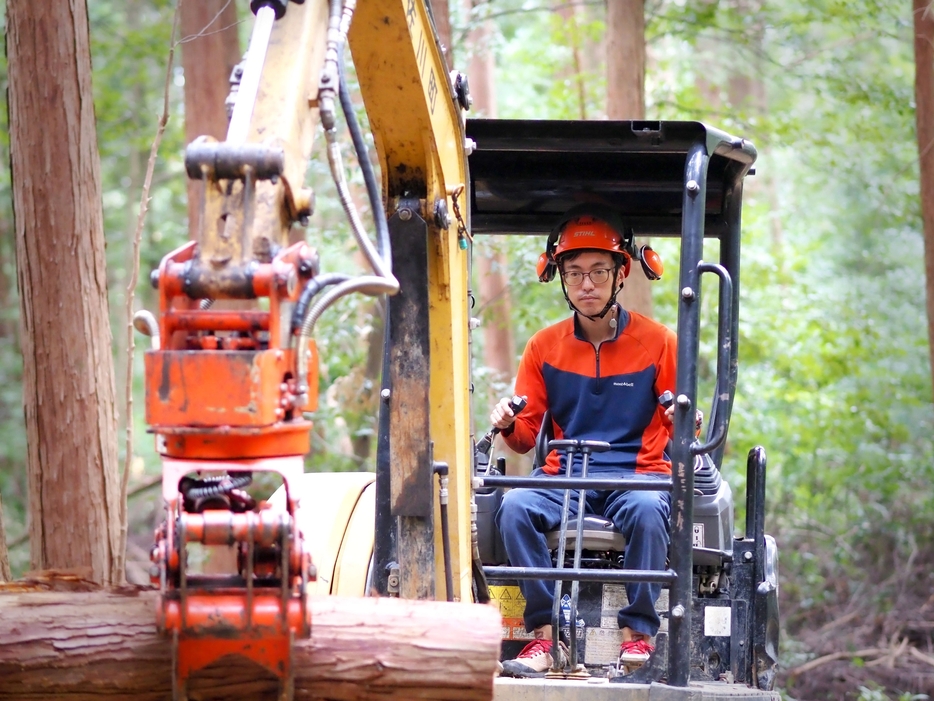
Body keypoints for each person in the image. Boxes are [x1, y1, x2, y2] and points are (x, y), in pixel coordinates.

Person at [491, 204, 677, 678]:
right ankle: (545, 638)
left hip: (636, 475)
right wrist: (507, 422)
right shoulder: (543, 346)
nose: (586, 284)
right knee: (513, 508)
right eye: (574, 273)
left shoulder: (659, 342)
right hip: (566, 477)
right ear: (559, 277)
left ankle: (638, 636)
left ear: (622, 273)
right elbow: (525, 436)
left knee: (648, 510)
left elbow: (685, 428)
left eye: (598, 271)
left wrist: (683, 416)